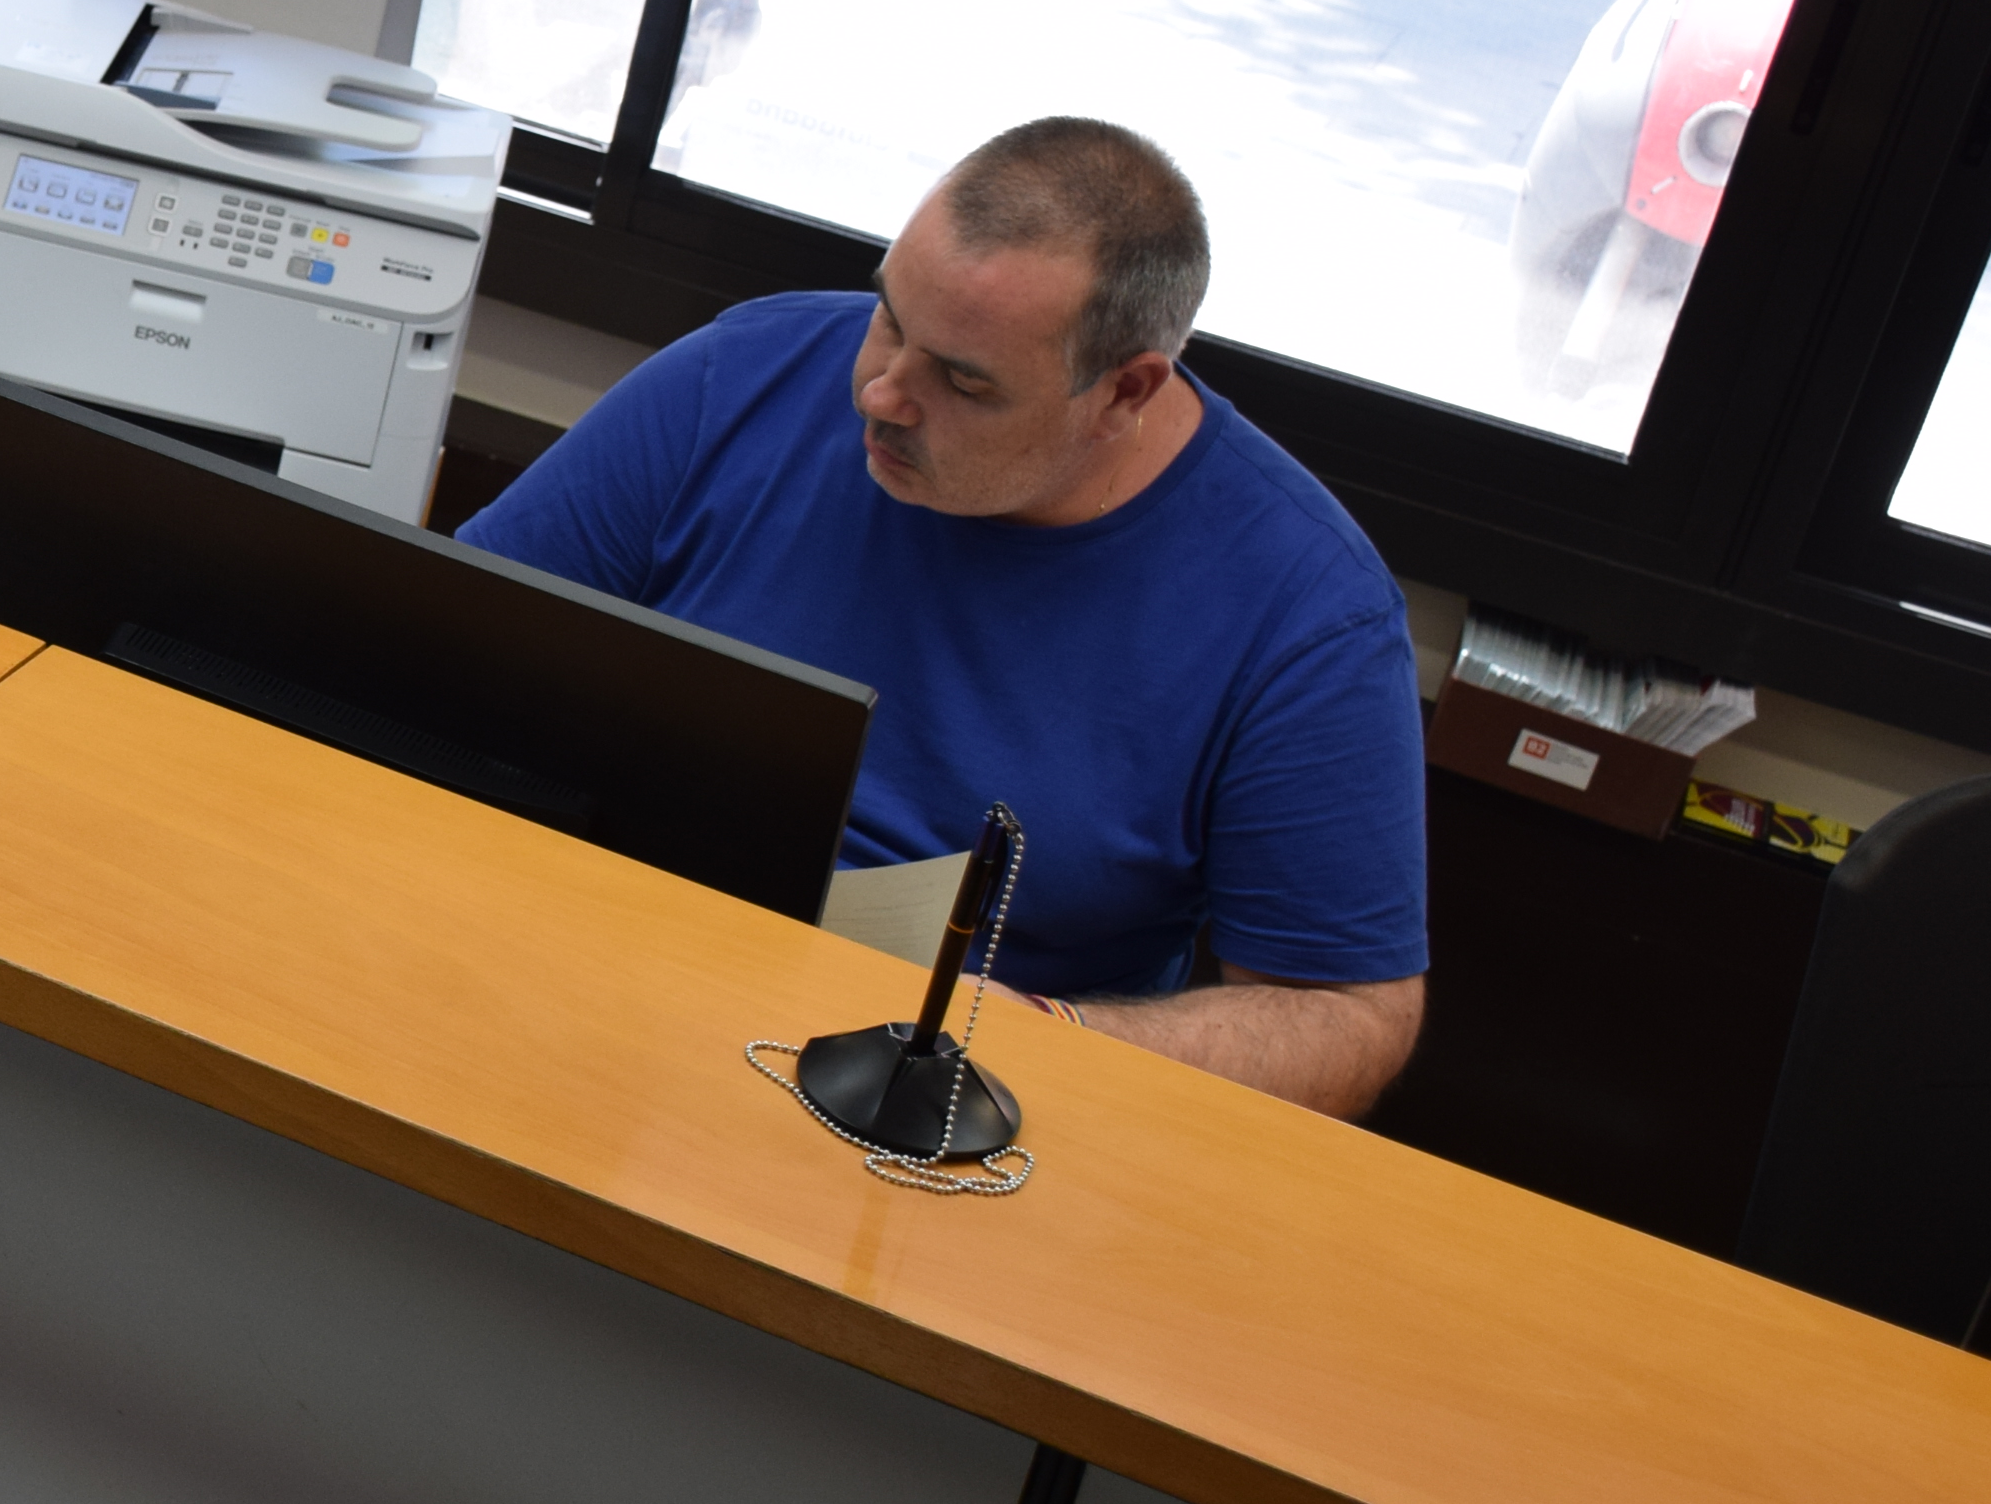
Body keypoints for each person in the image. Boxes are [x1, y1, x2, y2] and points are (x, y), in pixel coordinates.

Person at [460, 119, 1426, 1121]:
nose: (879, 394)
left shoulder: (1305, 608)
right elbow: (441, 655)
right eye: (888, 318)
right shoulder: (744, 374)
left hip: (941, 1103)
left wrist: (1043, 1039)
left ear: (1122, 392)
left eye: (963, 381)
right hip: (595, 966)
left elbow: (1346, 1017)